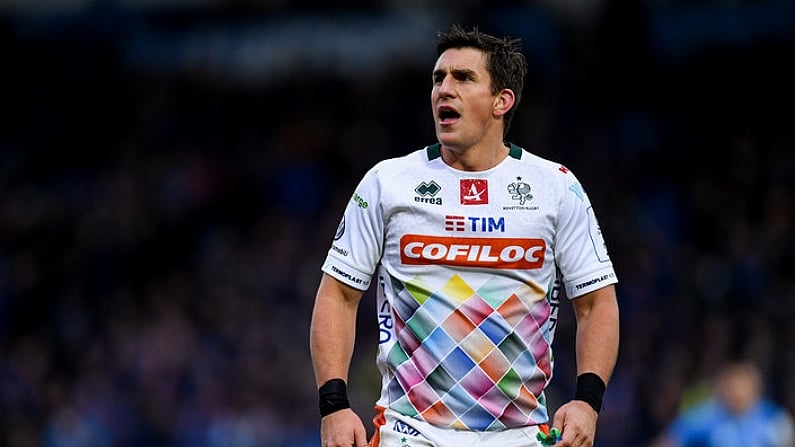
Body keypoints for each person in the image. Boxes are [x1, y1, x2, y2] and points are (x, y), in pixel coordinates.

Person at [310, 24, 620, 447]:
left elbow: (597, 302)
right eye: (439, 78)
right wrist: (333, 405)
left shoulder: (556, 187)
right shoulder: (388, 182)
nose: (444, 89)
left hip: (521, 433)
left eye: (463, 78)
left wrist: (588, 400)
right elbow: (338, 295)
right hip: (410, 431)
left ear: (501, 101)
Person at [652, 360, 795, 447]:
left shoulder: (774, 418)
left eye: (742, 387)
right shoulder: (705, 415)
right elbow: (669, 441)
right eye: (731, 387)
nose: (736, 393)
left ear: (756, 390)